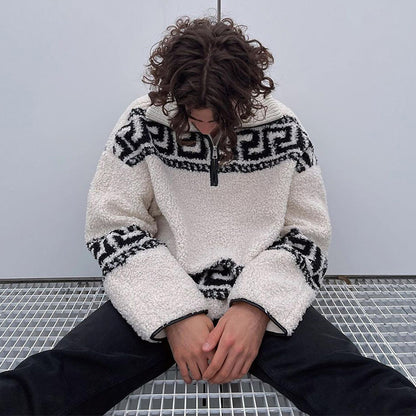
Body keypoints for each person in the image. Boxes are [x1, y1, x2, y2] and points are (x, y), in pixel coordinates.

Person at [1, 15, 416, 416]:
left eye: (219, 117)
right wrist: (176, 313)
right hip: (161, 289)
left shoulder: (286, 129)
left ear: (246, 94)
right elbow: (112, 223)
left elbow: (308, 232)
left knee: (360, 385)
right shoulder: (142, 122)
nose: (205, 127)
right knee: (52, 378)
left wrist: (255, 309)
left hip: (258, 297)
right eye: (193, 116)